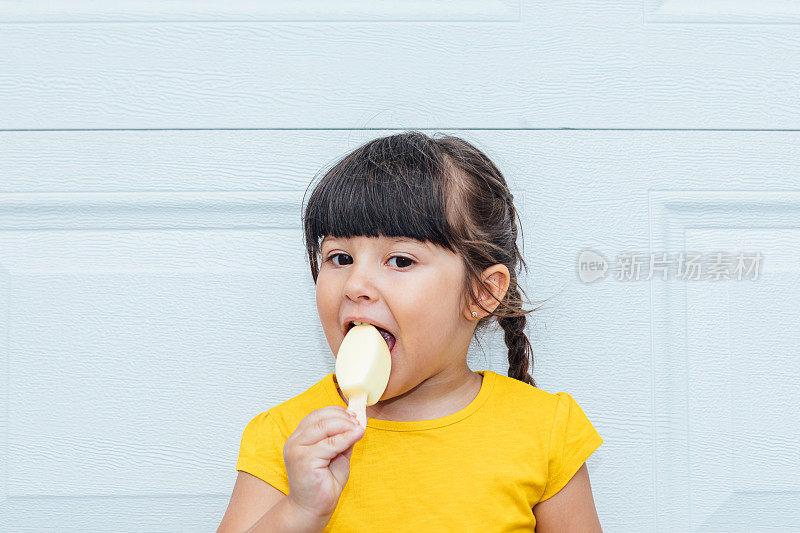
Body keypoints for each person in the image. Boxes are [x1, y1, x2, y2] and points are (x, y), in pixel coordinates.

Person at [218, 131, 603, 532]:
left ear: (483, 292)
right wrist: (300, 510)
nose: (355, 285)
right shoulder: (287, 436)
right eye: (340, 257)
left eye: (400, 261)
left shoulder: (545, 430)